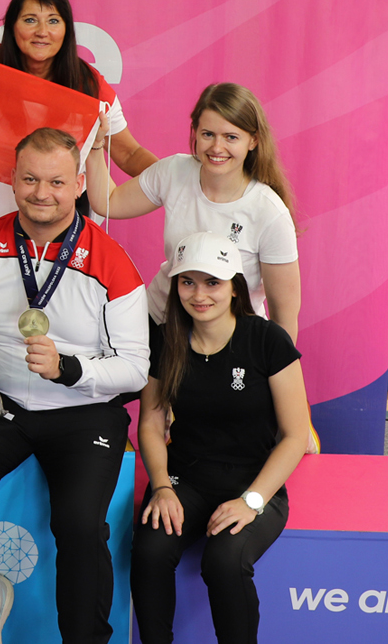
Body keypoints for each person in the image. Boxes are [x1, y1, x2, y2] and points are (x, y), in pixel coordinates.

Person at [0, 127, 149, 644]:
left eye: (56, 181)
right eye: (30, 179)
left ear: (79, 184)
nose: (41, 192)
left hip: (84, 413)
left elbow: (137, 370)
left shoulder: (112, 263)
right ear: (12, 179)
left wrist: (69, 370)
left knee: (79, 525)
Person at [130, 232, 310, 644]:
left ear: (234, 288)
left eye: (212, 282)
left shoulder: (265, 339)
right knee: (149, 551)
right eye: (187, 281)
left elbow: (295, 434)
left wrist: (252, 501)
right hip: (186, 479)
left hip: (253, 481)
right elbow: (152, 424)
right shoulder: (166, 342)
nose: (199, 294)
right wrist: (160, 485)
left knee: (224, 562)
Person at [85, 82, 300, 344]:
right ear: (195, 133)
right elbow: (108, 201)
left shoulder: (270, 212)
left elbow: (284, 318)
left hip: (230, 342)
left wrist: (275, 372)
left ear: (253, 140)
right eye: (208, 134)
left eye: (231, 137)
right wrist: (96, 147)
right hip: (160, 325)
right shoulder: (174, 171)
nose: (217, 147)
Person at [0, 0, 158, 183]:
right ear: (12, 27)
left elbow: (129, 154)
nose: (42, 31)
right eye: (30, 20)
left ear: (67, 30)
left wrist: (176, 180)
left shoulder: (88, 85)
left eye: (53, 21)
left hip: (62, 204)